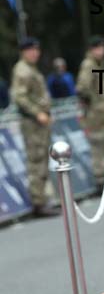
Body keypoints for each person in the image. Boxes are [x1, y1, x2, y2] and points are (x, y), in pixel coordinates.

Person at [10, 38, 60, 217]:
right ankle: (38, 202)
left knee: (41, 160)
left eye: (36, 50)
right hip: (32, 123)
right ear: (24, 51)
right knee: (36, 161)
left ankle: (42, 200)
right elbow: (20, 97)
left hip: (40, 123)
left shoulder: (31, 69)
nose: (35, 53)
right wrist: (37, 113)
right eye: (31, 50)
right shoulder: (22, 70)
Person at [75, 36, 104, 192]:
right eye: (98, 48)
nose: (102, 51)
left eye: (103, 48)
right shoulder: (89, 65)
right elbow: (82, 88)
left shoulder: (100, 64)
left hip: (103, 114)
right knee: (97, 147)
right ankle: (100, 181)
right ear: (92, 49)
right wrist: (93, 105)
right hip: (95, 115)